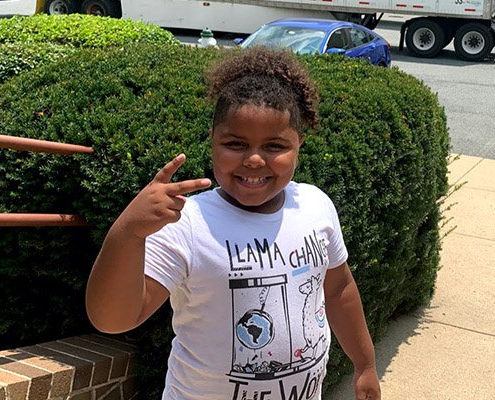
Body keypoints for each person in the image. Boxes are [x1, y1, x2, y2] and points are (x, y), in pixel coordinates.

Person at [86, 47, 381, 400]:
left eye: (275, 146)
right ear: (213, 140)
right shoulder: (187, 223)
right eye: (235, 143)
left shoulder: (315, 206)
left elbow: (337, 289)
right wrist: (127, 231)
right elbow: (112, 319)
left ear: (299, 144)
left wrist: (365, 365)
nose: (254, 159)